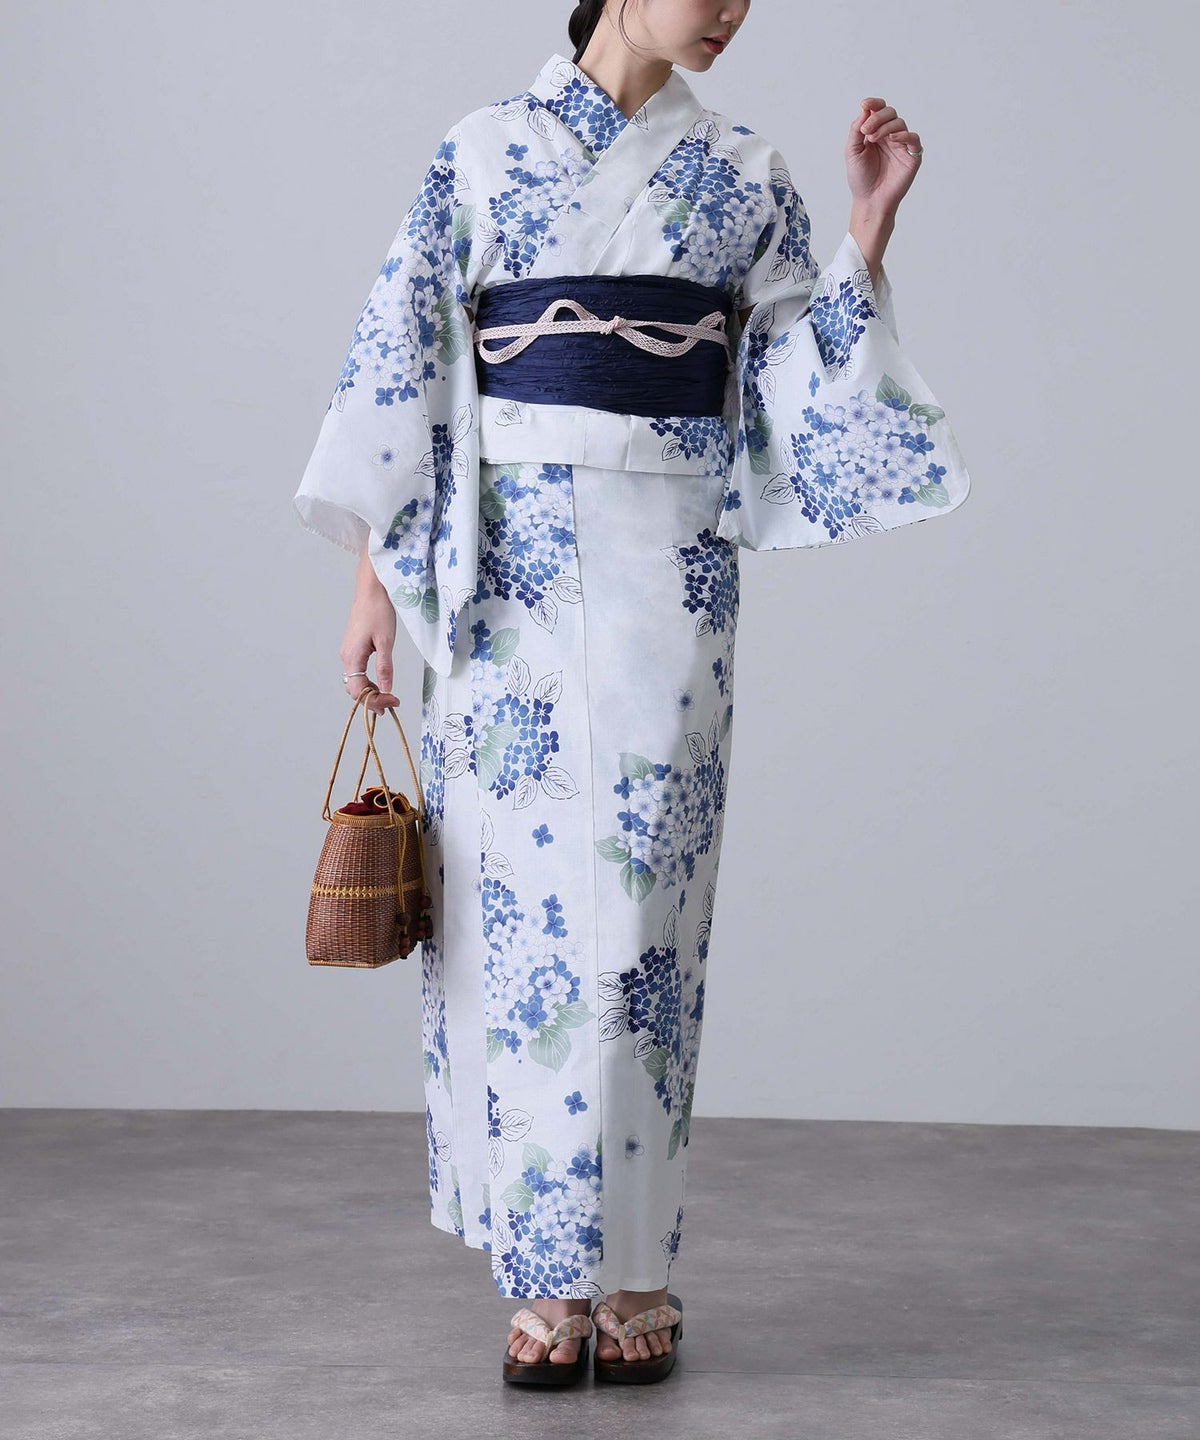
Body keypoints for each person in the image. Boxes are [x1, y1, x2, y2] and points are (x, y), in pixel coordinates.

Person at [293, 0, 971, 1388]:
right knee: (514, 922)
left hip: (670, 565)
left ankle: (639, 1267)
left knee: (647, 922)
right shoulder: (483, 153)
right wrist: (373, 588)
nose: (730, 10)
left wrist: (868, 229)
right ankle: (549, 1278)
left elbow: (791, 387)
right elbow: (408, 377)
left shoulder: (745, 173)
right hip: (507, 580)